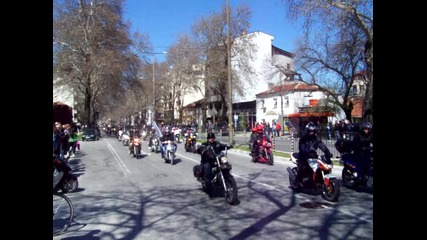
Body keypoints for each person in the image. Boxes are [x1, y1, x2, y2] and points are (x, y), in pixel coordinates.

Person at [197, 133, 232, 197]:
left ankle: (226, 178)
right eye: (210, 138)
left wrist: (228, 146)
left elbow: (221, 146)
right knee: (207, 168)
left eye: (213, 138)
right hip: (208, 161)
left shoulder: (216, 144)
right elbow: (200, 149)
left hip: (217, 160)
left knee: (226, 165)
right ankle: (208, 183)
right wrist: (201, 149)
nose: (212, 139)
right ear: (208, 139)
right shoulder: (204, 145)